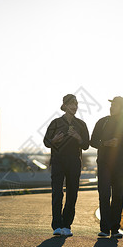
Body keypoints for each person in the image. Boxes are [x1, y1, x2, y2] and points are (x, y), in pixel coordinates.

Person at [90, 96, 123, 238]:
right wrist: (105, 144)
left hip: (120, 166)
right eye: (111, 104)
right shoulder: (102, 122)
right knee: (104, 195)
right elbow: (92, 142)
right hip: (104, 164)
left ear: (122, 108)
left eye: (115, 105)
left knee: (118, 196)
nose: (112, 107)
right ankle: (105, 229)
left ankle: (115, 229)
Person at [43, 94, 90, 237]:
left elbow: (86, 145)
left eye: (76, 104)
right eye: (71, 104)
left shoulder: (81, 124)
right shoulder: (56, 123)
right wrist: (54, 140)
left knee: (72, 194)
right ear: (64, 106)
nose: (74, 107)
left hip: (74, 162)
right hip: (58, 162)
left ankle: (67, 225)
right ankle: (57, 225)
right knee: (57, 193)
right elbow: (46, 142)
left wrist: (78, 137)